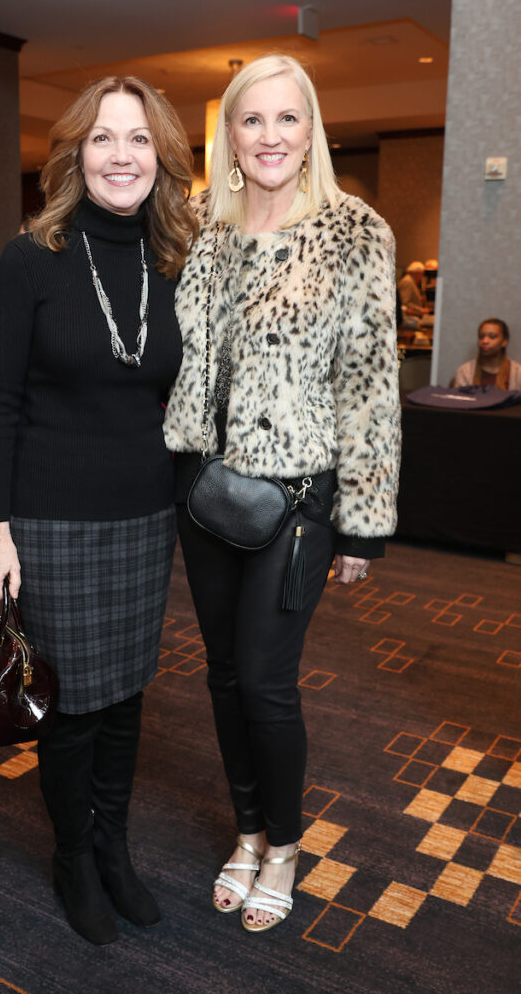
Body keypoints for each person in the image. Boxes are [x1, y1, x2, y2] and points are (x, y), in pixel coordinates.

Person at [163, 54, 401, 934]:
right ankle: (247, 831)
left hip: (299, 497)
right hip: (203, 487)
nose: (269, 136)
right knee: (223, 675)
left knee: (265, 681)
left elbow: (369, 383)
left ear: (311, 132)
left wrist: (363, 521)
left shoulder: (354, 229)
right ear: (229, 134)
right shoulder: (199, 226)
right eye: (251, 119)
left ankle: (286, 847)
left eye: (286, 118)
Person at [0, 76, 197, 946]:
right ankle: (74, 856)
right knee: (70, 704)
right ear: (75, 154)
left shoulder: (174, 261)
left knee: (127, 694)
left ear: (161, 158)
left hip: (144, 515)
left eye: (138, 139)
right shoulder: (32, 257)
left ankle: (113, 847)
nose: (121, 155)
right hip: (50, 519)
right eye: (103, 138)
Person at [452, 318, 521, 389]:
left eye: (492, 337)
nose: (485, 341)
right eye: (481, 336)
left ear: (504, 341)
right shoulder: (465, 371)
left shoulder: (518, 372)